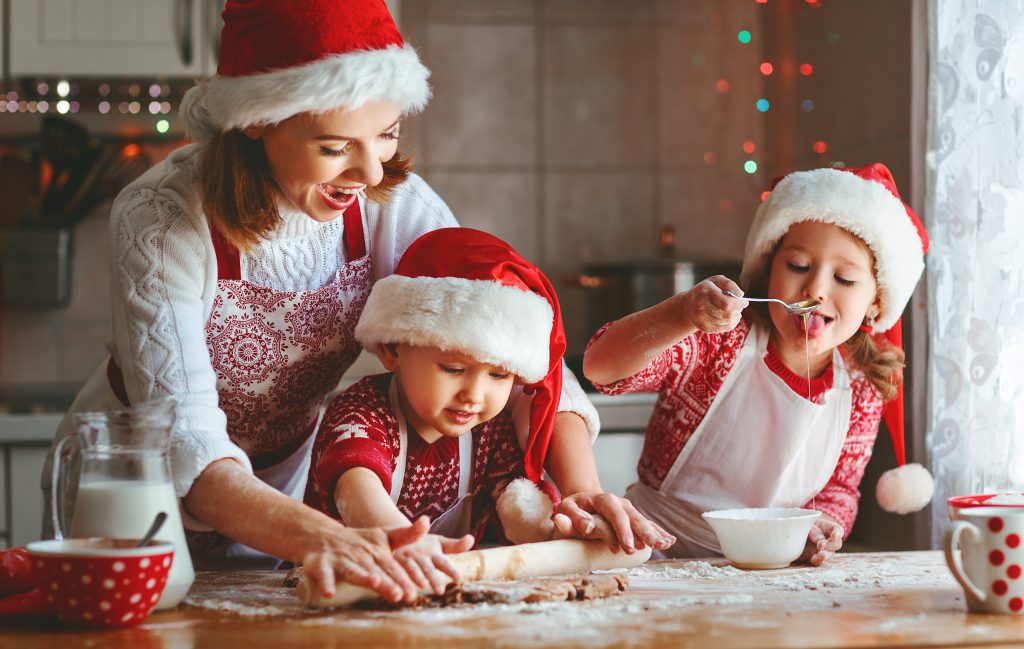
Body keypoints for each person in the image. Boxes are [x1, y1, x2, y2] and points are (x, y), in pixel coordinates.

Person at [41, 0, 668, 604]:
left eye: (387, 135)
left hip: (288, 489)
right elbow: (188, 441)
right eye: (335, 147)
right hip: (136, 492)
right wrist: (342, 539)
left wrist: (581, 489)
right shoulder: (162, 220)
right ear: (258, 120)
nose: (370, 172)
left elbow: (510, 341)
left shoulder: (393, 204)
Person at [583, 163, 935, 565]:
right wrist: (681, 314)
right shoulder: (719, 341)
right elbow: (600, 367)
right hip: (655, 556)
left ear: (876, 301)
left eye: (845, 279)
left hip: (768, 572)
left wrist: (819, 528)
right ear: (769, 270)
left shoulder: (860, 384)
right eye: (799, 266)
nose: (816, 289)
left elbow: (839, 488)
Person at [305, 228, 626, 594]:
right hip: (336, 588)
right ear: (393, 350)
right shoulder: (363, 412)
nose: (475, 395)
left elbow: (517, 505)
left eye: (498, 375)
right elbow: (356, 488)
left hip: (433, 597)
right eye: (453, 369)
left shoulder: (488, 431)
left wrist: (563, 531)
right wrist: (400, 540)